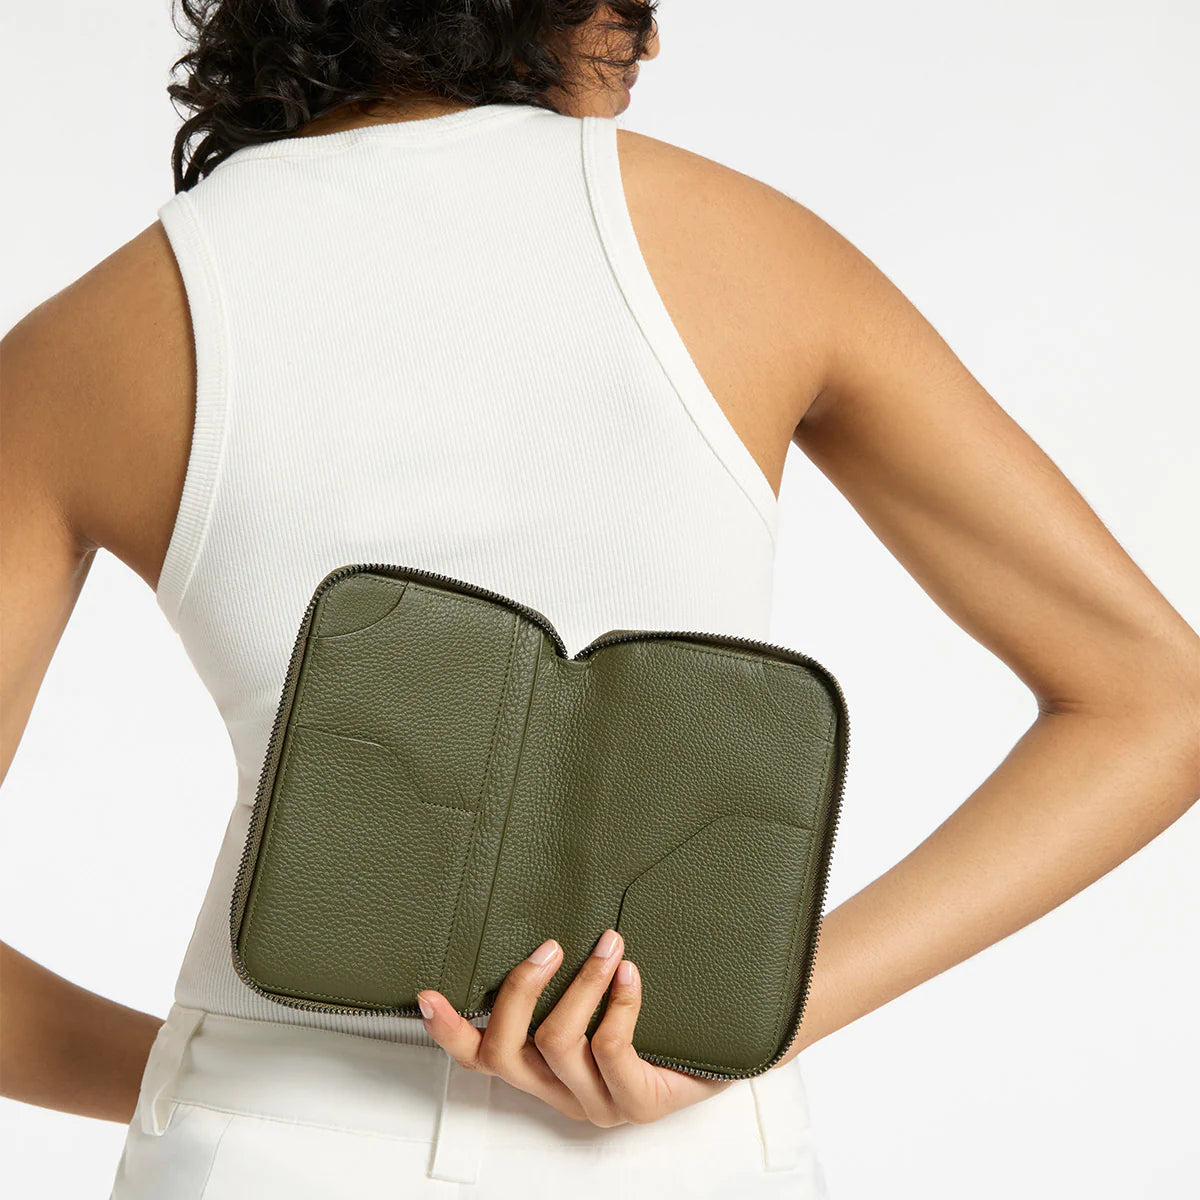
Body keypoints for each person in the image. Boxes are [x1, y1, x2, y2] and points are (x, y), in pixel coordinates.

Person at [2, 2, 1198, 1197]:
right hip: (678, 1154)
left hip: (270, 1146)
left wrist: (219, 1078)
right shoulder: (753, 250)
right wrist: (747, 1023)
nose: (650, 43)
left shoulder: (91, 340)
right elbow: (1157, 701)